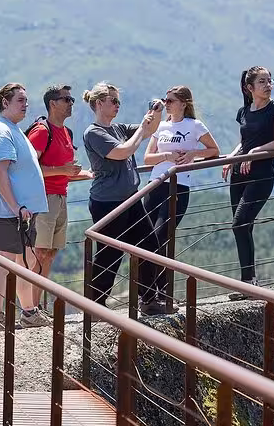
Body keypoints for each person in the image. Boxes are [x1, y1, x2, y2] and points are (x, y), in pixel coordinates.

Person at [82, 82, 173, 315]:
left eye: (118, 101)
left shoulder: (118, 127)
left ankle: (148, 298)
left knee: (149, 245)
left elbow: (150, 130)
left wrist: (156, 111)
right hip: (108, 202)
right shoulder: (94, 133)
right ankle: (95, 305)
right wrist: (142, 129)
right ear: (99, 103)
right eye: (113, 101)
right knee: (109, 253)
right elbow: (122, 152)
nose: (117, 105)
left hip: (131, 199)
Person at [0, 83, 49, 331]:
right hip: (10, 212)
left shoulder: (11, 128)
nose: (25, 104)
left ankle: (29, 312)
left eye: (26, 100)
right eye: (20, 100)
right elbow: (0, 172)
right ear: (5, 102)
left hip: (21, 213)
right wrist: (16, 206)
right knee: (4, 264)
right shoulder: (1, 131)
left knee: (24, 263)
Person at [25, 84, 93, 312]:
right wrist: (62, 170)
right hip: (43, 200)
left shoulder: (65, 132)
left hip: (60, 197)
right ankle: (30, 309)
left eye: (71, 99)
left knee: (49, 254)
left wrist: (84, 174)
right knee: (38, 254)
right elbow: (29, 169)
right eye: (66, 99)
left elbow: (62, 170)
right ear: (52, 103)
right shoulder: (42, 131)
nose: (71, 103)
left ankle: (36, 308)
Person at [222, 67, 274, 300]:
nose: (268, 85)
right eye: (262, 81)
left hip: (261, 174)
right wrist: (231, 158)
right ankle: (247, 282)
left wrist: (255, 152)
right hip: (238, 175)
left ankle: (249, 283)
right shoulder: (244, 111)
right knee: (243, 227)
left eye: (270, 81)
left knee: (240, 223)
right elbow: (243, 142)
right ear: (249, 88)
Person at [143, 87, 220, 257]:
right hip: (154, 185)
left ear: (183, 104)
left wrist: (194, 153)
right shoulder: (161, 126)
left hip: (178, 186)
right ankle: (147, 283)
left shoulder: (194, 125)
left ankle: (161, 283)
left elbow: (214, 150)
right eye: (165, 100)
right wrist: (166, 156)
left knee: (160, 235)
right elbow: (147, 158)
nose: (166, 104)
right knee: (145, 239)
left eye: (170, 101)